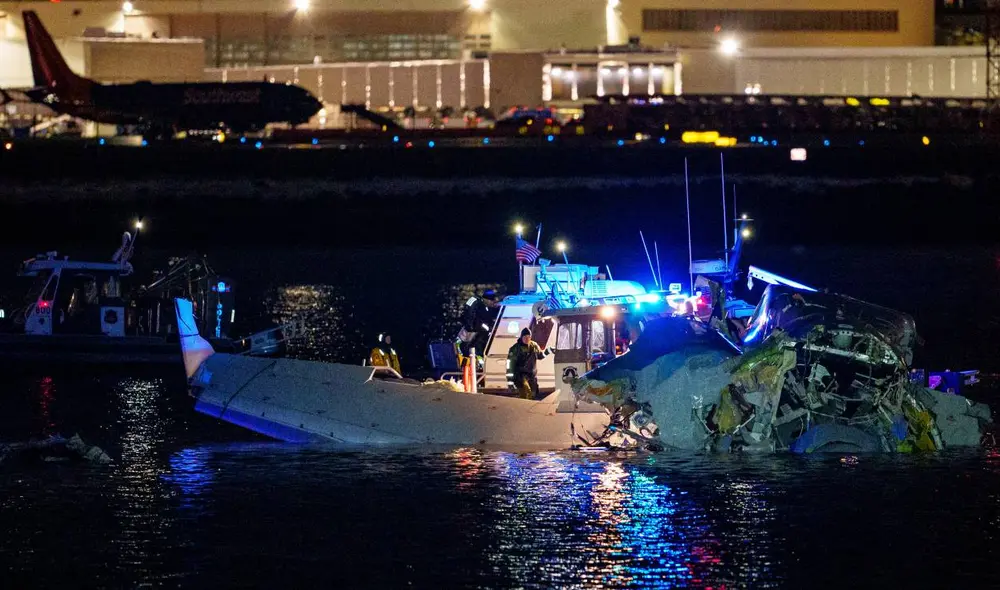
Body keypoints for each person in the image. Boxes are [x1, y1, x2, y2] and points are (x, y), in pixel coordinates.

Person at [506, 327, 553, 400]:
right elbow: (510, 366)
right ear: (521, 337)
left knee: (534, 395)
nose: (527, 339)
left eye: (528, 337)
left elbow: (540, 356)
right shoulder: (515, 349)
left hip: (531, 375)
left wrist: (549, 350)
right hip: (520, 376)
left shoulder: (534, 346)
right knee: (526, 393)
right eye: (525, 337)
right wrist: (510, 382)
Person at [456, 289, 500, 358]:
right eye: (492, 301)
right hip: (473, 330)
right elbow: (482, 323)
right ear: (487, 300)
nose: (492, 303)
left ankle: (467, 353)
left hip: (470, 329)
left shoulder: (478, 303)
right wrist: (488, 330)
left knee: (466, 344)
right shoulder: (482, 308)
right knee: (470, 345)